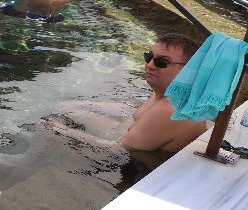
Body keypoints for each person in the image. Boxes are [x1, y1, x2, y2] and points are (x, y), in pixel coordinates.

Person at [45, 33, 207, 165]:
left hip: (140, 168)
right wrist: (84, 105)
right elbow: (133, 113)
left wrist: (59, 130)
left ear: (188, 71)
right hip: (133, 140)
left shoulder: (171, 110)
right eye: (149, 57)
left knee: (47, 126)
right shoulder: (167, 91)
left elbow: (117, 149)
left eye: (161, 62)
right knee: (66, 108)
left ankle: (33, 162)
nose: (150, 65)